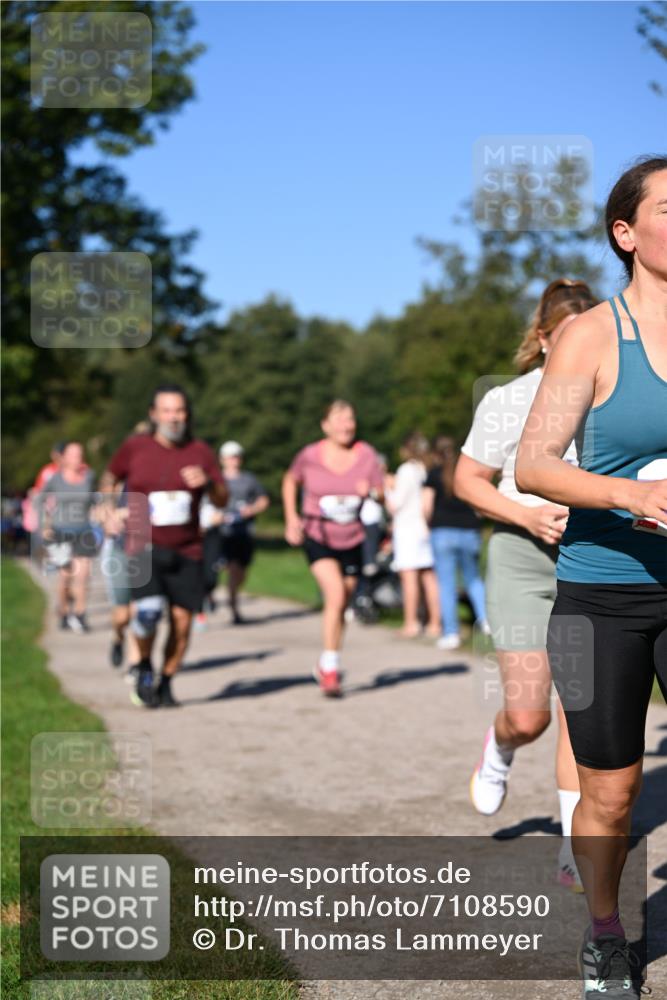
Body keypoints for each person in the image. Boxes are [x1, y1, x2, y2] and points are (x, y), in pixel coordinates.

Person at [515, 157, 667, 999]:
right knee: (609, 795)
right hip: (602, 594)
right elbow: (533, 464)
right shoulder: (590, 336)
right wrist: (630, 495)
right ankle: (605, 932)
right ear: (625, 232)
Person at [454, 278, 597, 895]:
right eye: (566, 337)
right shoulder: (508, 400)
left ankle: (573, 846)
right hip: (520, 557)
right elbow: (467, 481)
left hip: (588, 560)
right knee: (529, 714)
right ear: (542, 340)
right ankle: (500, 748)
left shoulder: (607, 395)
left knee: (579, 709)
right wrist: (526, 516)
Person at [102, 385, 227, 708]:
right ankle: (144, 666)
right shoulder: (135, 447)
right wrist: (108, 509)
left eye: (180, 411)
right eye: (167, 411)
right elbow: (110, 478)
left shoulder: (200, 451)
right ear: (154, 414)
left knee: (182, 623)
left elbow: (222, 498)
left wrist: (209, 484)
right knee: (147, 612)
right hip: (143, 546)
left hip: (188, 549)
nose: (174, 417)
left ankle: (167, 682)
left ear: (187, 415)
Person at [282, 400, 384, 697]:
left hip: (352, 537)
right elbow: (290, 480)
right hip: (318, 534)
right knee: (336, 595)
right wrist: (291, 518)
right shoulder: (310, 455)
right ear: (325, 425)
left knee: (340, 604)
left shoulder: (367, 455)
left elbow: (382, 494)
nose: (346, 425)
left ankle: (328, 661)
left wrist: (372, 492)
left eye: (350, 419)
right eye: (339, 419)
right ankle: (330, 669)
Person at [423, 436, 487, 650]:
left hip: (442, 531)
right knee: (473, 579)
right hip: (469, 531)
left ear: (436, 454)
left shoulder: (433, 474)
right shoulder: (466, 473)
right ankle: (486, 621)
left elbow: (426, 505)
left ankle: (451, 633)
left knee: (446, 584)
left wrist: (428, 525)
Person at [38, 441, 97, 633]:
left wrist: (102, 515)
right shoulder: (55, 478)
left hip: (84, 530)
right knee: (65, 576)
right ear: (64, 457)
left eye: (80, 454)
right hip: (60, 531)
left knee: (83, 574)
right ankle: (63, 612)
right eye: (73, 454)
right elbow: (39, 499)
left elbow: (94, 500)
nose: (77, 458)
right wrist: (44, 524)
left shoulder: (89, 476)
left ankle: (80, 614)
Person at [386, 433, 440, 638]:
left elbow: (395, 504)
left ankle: (411, 622)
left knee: (409, 577)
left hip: (407, 528)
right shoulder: (425, 469)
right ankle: (435, 623)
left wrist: (388, 488)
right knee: (428, 576)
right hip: (424, 527)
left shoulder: (406, 470)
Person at [217, 441, 270, 624]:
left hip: (244, 531)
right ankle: (234, 609)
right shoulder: (216, 480)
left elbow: (263, 500)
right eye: (230, 457)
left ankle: (229, 595)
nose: (234, 460)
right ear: (222, 459)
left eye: (236, 457)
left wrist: (252, 509)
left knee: (241, 572)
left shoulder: (249, 479)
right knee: (232, 569)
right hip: (223, 533)